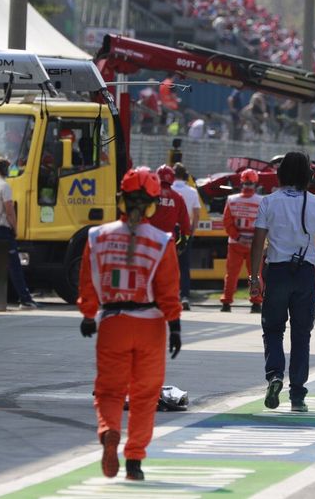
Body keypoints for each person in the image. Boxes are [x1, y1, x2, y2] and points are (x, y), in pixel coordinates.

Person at [77, 167, 182, 481]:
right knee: (144, 397)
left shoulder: (96, 237)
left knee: (109, 392)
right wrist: (175, 326)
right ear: (152, 204)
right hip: (151, 326)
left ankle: (109, 430)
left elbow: (88, 281)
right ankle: (134, 461)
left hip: (113, 323)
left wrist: (88, 315)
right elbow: (168, 290)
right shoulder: (162, 241)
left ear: (121, 199)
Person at [250, 152, 315, 413]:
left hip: (277, 272)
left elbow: (257, 241)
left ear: (281, 173)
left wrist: (254, 277)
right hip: (306, 273)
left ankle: (275, 376)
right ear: (308, 175)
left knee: (273, 329)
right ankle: (297, 396)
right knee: (301, 334)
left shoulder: (269, 202)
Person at [0, 157, 39, 309]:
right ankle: (25, 299)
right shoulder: (4, 186)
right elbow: (9, 210)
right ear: (3, 169)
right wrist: (15, 228)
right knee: (14, 265)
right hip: (3, 229)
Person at [221, 169, 263, 313]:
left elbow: (227, 222)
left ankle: (226, 303)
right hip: (254, 244)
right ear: (255, 183)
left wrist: (239, 237)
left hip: (235, 243)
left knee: (231, 275)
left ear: (241, 182)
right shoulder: (262, 201)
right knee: (255, 274)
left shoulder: (231, 200)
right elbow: (266, 223)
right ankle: (256, 304)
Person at [149, 165, 192, 303]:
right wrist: (183, 241)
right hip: (168, 243)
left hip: (149, 241)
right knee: (168, 275)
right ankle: (168, 300)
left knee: (149, 272)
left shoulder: (151, 195)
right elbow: (185, 223)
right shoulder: (177, 197)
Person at [171, 163, 200, 310]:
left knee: (169, 265)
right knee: (184, 265)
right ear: (185, 175)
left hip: (169, 231)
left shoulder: (169, 190)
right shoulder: (192, 192)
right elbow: (196, 214)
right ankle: (184, 296)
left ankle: (170, 294)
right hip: (185, 231)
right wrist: (192, 231)